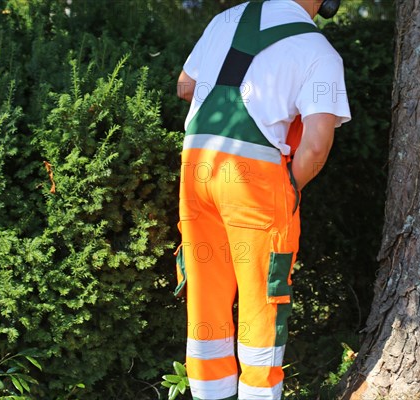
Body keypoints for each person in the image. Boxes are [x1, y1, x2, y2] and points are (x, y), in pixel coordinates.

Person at [174, 1, 351, 399]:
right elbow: (316, 146)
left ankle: (207, 393)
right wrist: (289, 185)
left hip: (197, 164)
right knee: (261, 301)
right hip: (253, 179)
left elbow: (186, 85)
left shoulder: (225, 19)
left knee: (205, 294)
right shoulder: (319, 51)